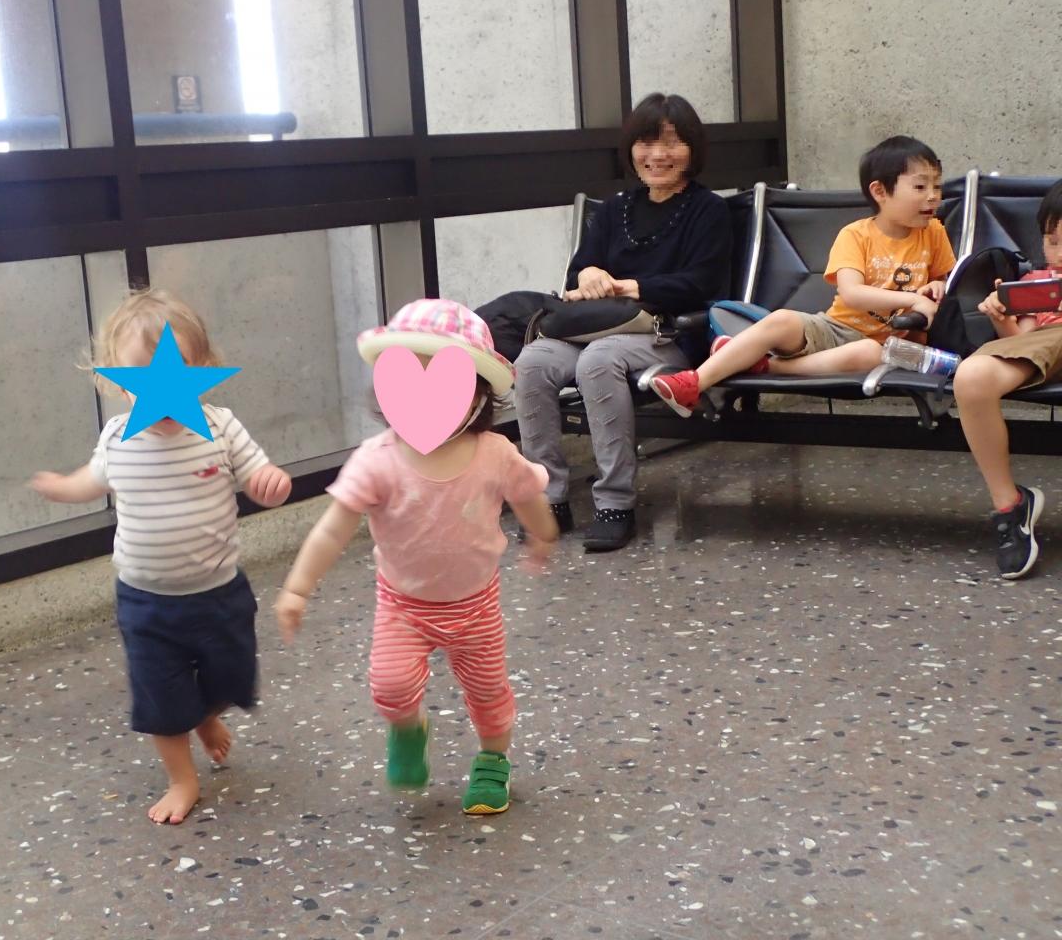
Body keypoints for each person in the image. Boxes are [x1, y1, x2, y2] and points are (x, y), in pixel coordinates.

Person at [275, 299, 557, 816]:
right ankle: (408, 729)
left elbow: (527, 496)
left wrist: (543, 533)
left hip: (475, 604)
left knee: (488, 691)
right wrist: (297, 587)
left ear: (477, 395)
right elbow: (333, 528)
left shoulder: (494, 454)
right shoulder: (378, 461)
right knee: (390, 685)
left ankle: (492, 760)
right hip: (403, 603)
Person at [30, 288, 292, 825]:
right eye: (142, 374)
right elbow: (93, 480)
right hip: (146, 602)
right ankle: (182, 778)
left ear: (202, 369)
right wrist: (63, 488)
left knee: (231, 678)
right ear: (117, 380)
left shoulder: (220, 427)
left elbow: (257, 475)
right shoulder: (118, 437)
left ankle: (206, 714)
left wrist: (271, 484)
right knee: (159, 696)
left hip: (219, 594)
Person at [509, 92, 732, 553]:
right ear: (631, 149)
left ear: (692, 149)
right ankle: (548, 498)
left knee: (598, 360)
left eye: (671, 143)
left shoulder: (708, 209)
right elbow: (578, 274)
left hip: (668, 331)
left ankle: (615, 503)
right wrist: (589, 274)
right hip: (597, 327)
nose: (657, 155)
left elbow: (703, 282)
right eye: (646, 143)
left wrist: (630, 286)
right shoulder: (614, 209)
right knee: (532, 361)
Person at [652, 135, 957, 417]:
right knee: (782, 319)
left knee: (869, 351)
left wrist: (936, 285)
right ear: (880, 192)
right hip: (835, 328)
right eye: (920, 187)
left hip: (888, 348)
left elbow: (942, 284)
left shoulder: (933, 233)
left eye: (937, 186)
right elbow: (852, 293)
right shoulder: (856, 235)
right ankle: (693, 382)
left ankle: (766, 366)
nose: (933, 196)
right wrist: (911, 299)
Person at [952, 178, 1062, 579]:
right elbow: (1025, 343)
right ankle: (1010, 507)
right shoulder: (1037, 285)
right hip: (1048, 346)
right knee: (972, 375)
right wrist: (1003, 318)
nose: (1059, 254)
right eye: (1052, 241)